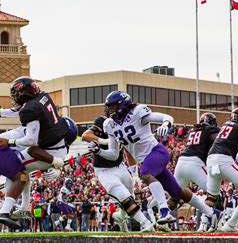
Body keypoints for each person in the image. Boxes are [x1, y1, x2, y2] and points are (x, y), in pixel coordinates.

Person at [90, 90, 221, 229]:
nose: (109, 109)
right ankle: (211, 212)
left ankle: (164, 211)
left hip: (157, 152)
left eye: (112, 106)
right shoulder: (109, 125)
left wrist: (165, 124)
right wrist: (99, 151)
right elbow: (114, 154)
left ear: (122, 104)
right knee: (178, 192)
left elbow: (166, 117)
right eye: (108, 106)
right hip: (148, 159)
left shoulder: (137, 113)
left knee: (145, 174)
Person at [0, 76, 74, 217]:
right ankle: (23, 207)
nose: (15, 97)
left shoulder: (30, 109)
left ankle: (7, 207)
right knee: (22, 171)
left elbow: (30, 140)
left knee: (13, 168)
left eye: (17, 94)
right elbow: (22, 110)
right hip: (56, 146)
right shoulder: (43, 97)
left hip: (48, 151)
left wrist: (9, 142)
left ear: (24, 93)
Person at [83, 116, 154, 232]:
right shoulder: (103, 122)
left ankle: (120, 217)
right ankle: (145, 222)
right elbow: (85, 135)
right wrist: (104, 141)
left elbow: (128, 151)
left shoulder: (123, 125)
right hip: (104, 170)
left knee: (130, 195)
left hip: (120, 166)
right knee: (122, 194)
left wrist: (134, 173)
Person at [172, 112, 220, 232]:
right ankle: (210, 219)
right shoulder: (210, 129)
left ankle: (162, 216)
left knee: (175, 196)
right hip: (195, 163)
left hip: (181, 163)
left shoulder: (193, 130)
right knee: (215, 194)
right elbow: (218, 138)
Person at [208, 107, 238, 232]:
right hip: (224, 159)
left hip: (210, 160)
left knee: (211, 198)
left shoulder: (226, 124)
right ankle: (231, 224)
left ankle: (205, 224)